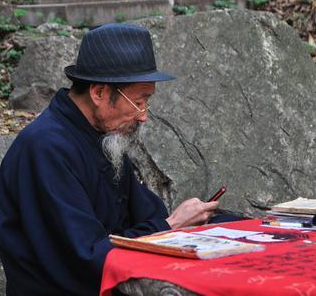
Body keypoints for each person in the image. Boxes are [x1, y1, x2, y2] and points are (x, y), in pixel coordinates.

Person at [0, 23, 234, 296]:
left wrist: (225, 223)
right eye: (139, 101)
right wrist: (170, 225)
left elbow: (150, 216)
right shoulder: (46, 148)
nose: (144, 114)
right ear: (99, 93)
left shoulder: (104, 135)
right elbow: (87, 256)